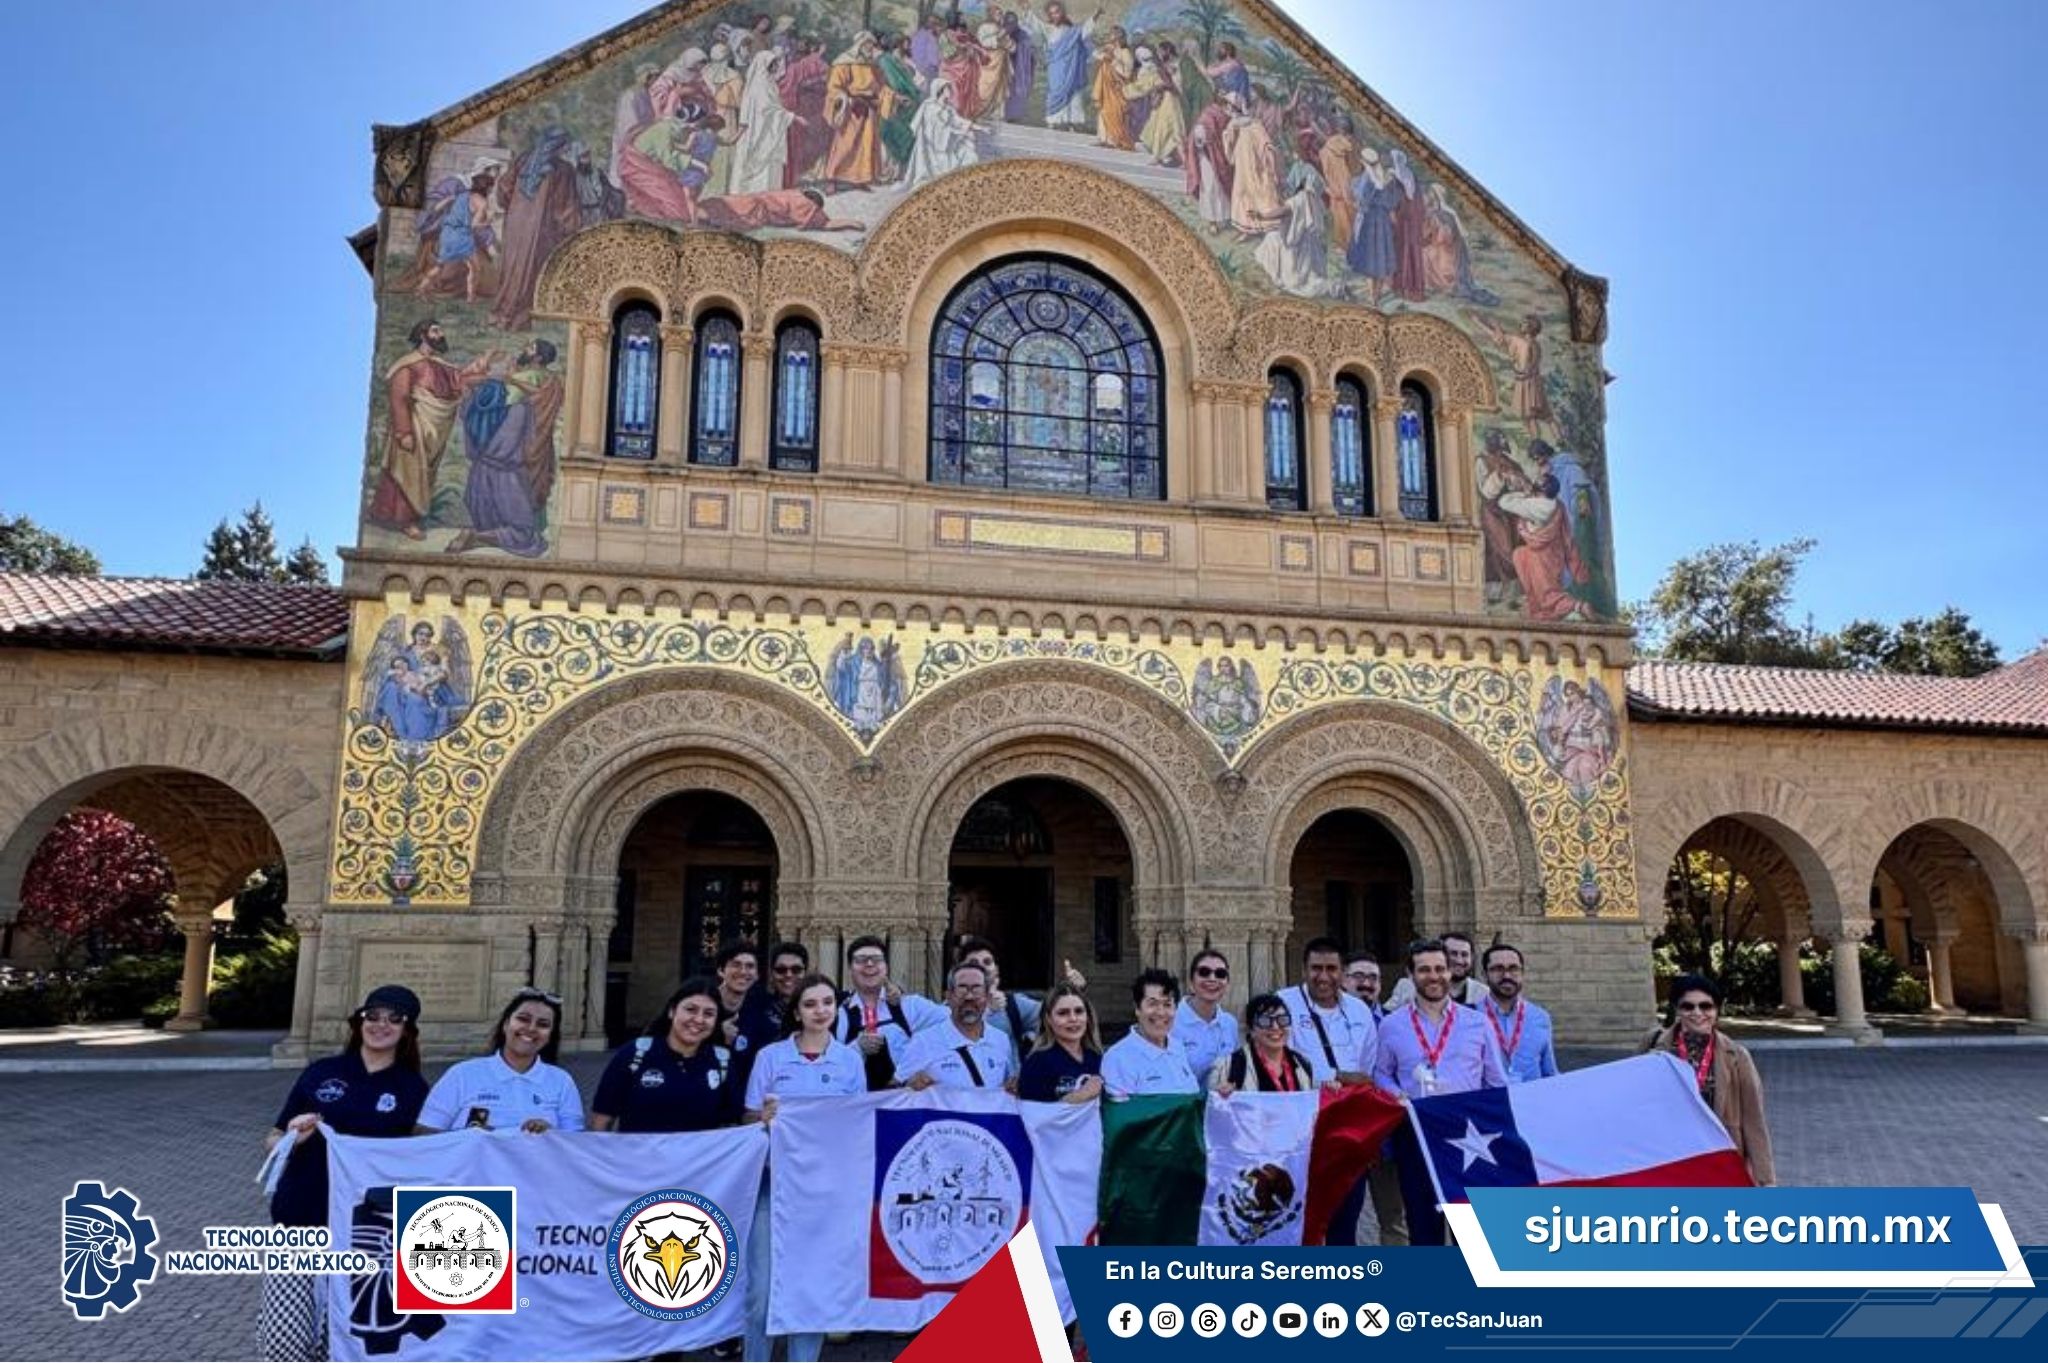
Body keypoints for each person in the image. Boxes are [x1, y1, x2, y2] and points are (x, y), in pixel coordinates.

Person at [259, 985, 428, 1362]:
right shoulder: (322, 1072)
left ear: (407, 1030)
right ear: (359, 1021)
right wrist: (292, 1137)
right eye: (373, 1016)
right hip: (301, 1216)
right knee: (283, 1339)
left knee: (339, 1342)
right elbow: (271, 1139)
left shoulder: (412, 1088)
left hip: (365, 1234)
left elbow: (418, 1159)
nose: (381, 1025)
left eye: (394, 1019)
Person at [743, 973, 866, 1363]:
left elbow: (857, 1122)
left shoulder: (850, 1060)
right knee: (761, 1293)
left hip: (825, 1190)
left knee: (813, 1292)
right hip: (773, 1184)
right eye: (810, 1004)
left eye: (827, 1003)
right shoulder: (770, 1057)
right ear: (796, 1012)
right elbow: (749, 1118)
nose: (820, 1011)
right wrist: (763, 1119)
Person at [1374, 939, 1508, 1245]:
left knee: (1471, 1235)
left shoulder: (1477, 1023)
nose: (1433, 976)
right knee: (1424, 1230)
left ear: (1450, 972)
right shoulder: (1392, 1025)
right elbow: (1381, 1072)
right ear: (1410, 974)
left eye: (1440, 969)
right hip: (1417, 1136)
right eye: (1424, 970)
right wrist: (1397, 1094)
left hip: (1470, 1138)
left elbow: (1496, 1082)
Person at [1645, 974, 1775, 1185]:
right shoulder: (1652, 1045)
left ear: (1716, 1010)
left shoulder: (1737, 1056)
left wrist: (1765, 1180)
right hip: (1668, 1155)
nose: (1697, 1013)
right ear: (1677, 1009)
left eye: (1706, 1006)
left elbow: (1754, 1121)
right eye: (1688, 1006)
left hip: (1717, 1156)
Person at [418, 987, 584, 1133]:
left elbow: (576, 1145)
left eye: (543, 1024)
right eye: (523, 1019)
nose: (531, 1028)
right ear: (505, 1025)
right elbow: (423, 1133)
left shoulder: (562, 1082)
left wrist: (552, 1134)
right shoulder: (461, 1075)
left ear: (550, 1036)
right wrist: (466, 1136)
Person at [590, 978, 741, 1132]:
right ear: (672, 1011)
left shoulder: (722, 1061)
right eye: (691, 1009)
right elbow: (601, 1120)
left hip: (700, 1149)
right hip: (640, 1148)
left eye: (709, 1014)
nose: (698, 1019)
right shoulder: (634, 1054)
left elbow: (732, 1124)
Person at [953, 935, 1085, 1071]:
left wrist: (1070, 990)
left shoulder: (1012, 1005)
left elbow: (1053, 1016)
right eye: (974, 963)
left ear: (996, 970)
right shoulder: (949, 1009)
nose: (982, 967)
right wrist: (987, 1012)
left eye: (987, 962)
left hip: (1009, 1083)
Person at [836, 934, 947, 1089]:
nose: (869, 964)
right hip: (857, 1101)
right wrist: (857, 1048)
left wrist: (915, 1071)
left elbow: (954, 1022)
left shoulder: (910, 1005)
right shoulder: (839, 1014)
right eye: (860, 960)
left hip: (903, 1098)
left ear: (886, 967)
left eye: (877, 959)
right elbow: (830, 1065)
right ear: (850, 969)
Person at [892, 961, 1014, 1090]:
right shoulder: (923, 1042)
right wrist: (908, 1086)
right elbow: (893, 1089)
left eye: (976, 989)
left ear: (987, 997)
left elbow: (1007, 1088)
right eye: (962, 989)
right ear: (949, 996)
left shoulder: (1001, 1040)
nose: (969, 997)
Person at [1275, 936, 1378, 1087]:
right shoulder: (1283, 1004)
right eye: (1316, 968)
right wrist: (1338, 1076)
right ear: (1304, 970)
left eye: (1331, 969)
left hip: (1352, 1098)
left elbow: (1367, 1067)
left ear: (1343, 972)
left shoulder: (1360, 1010)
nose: (1323, 977)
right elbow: (1279, 1061)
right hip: (1305, 1098)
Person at [1100, 969, 1201, 1097]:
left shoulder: (1178, 1048)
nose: (1161, 1012)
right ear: (1137, 1008)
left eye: (1167, 1004)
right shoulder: (1117, 1058)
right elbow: (1120, 1108)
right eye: (1152, 1004)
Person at [1480, 942, 1558, 1084]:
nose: (1507, 975)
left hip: (1530, 1097)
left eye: (1513, 968)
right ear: (1485, 974)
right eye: (1498, 969)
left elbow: (1549, 1073)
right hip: (1489, 1097)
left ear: (1522, 973)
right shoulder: (1472, 1016)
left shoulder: (1540, 1017)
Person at [1209, 993, 1315, 1094]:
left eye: (1282, 1019)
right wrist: (1220, 1096)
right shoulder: (1227, 1068)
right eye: (1265, 1021)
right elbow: (1214, 1104)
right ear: (1251, 1029)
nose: (1275, 1027)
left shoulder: (1303, 1064)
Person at [1018, 981, 1104, 1102]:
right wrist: (1080, 1095)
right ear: (1048, 1019)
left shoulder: (1097, 1057)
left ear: (1088, 1016)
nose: (1073, 1018)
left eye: (1079, 1011)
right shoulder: (1036, 1064)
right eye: (1063, 1013)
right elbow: (1033, 1111)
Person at [1171, 948, 1239, 1089]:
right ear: (1191, 981)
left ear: (1227, 983)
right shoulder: (1170, 1020)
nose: (1212, 979)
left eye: (1220, 974)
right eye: (1204, 972)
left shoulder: (1230, 1023)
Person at [1388, 930, 1484, 1008]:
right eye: (1453, 954)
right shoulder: (1407, 986)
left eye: (1464, 954)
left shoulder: (1482, 992)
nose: (1459, 960)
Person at [1344, 951, 1384, 1019]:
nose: (1366, 984)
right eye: (1358, 976)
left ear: (1380, 983)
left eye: (1373, 977)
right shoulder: (1328, 1020)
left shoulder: (1393, 1021)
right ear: (1343, 980)